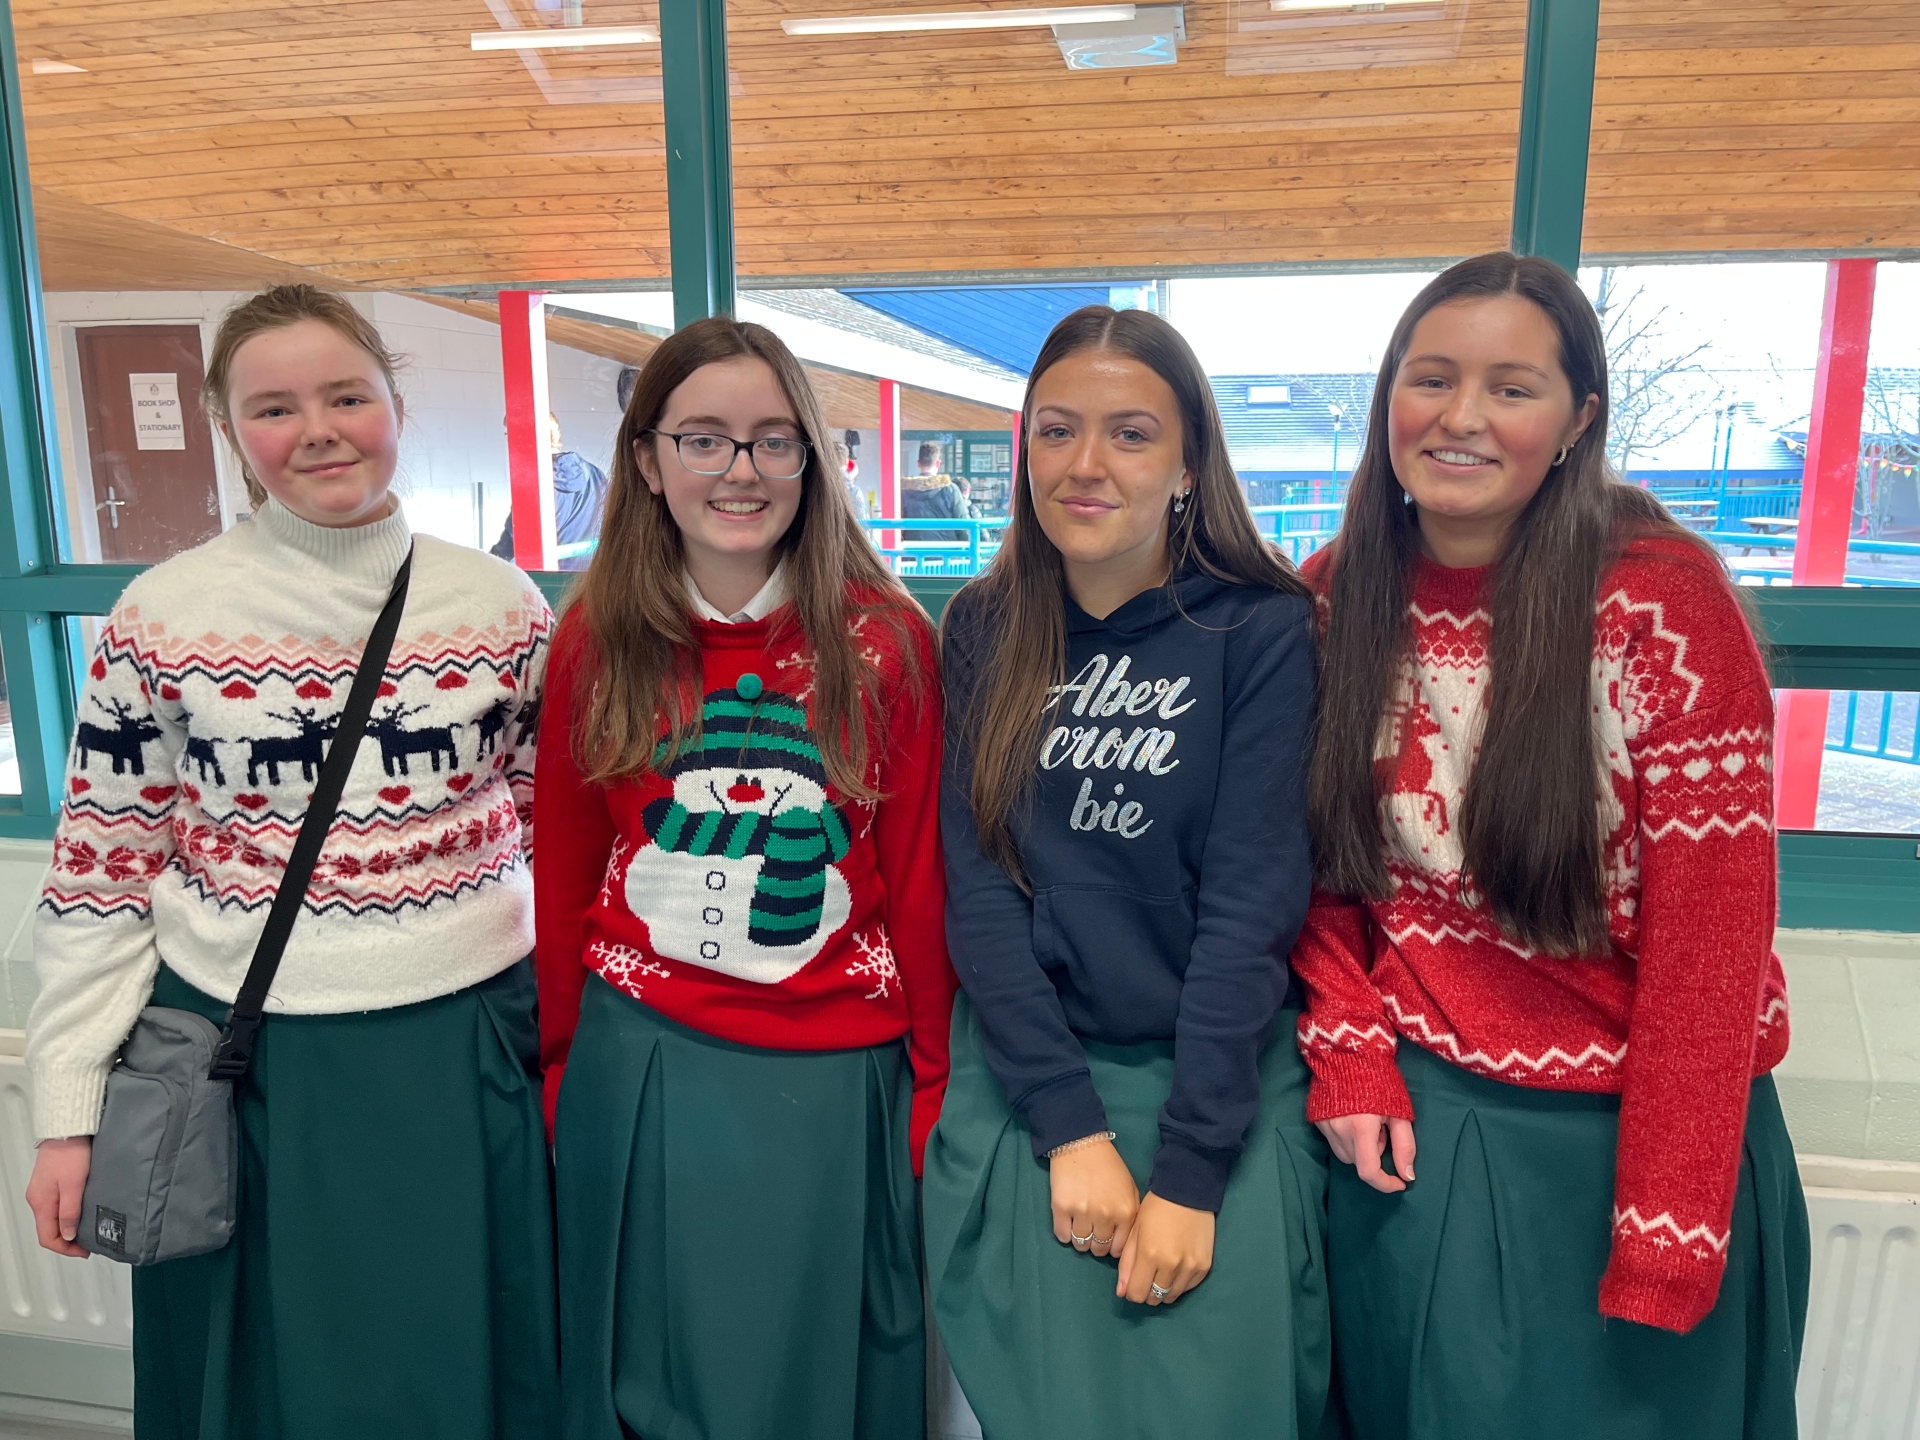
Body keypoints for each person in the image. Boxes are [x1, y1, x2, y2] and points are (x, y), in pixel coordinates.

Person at [22, 284, 559, 1439]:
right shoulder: (161, 618)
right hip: (245, 1061)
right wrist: (66, 1116)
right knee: (270, 1385)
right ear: (230, 430)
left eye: (346, 397)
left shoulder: (501, 605)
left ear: (395, 405)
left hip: (464, 1046)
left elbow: (542, 822)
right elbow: (102, 876)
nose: (317, 430)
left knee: (462, 1362)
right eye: (274, 409)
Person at [1294, 251, 1808, 1438]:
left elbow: (1712, 946)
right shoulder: (1332, 596)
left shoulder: (1663, 606)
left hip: (1638, 1131)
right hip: (1421, 1120)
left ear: (1578, 420)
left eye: (1511, 388)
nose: (1461, 417)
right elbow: (1313, 877)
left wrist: (1668, 1232)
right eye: (1430, 379)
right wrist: (1350, 1049)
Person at [535, 316, 956, 1440]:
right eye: (704, 439)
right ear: (646, 459)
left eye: (775, 440)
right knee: (645, 1382)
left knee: (814, 1387)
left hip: (838, 1068)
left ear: (813, 460)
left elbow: (919, 886)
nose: (741, 470)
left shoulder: (888, 643)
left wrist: (932, 1090)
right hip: (641, 1059)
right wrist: (561, 1072)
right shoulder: (595, 640)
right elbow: (564, 875)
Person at [924, 306, 1333, 1439]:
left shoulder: (1261, 631)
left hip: (1217, 1072)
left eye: (1132, 434)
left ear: (1190, 461)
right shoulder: (984, 626)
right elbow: (981, 894)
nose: (1086, 465)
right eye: (1056, 431)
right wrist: (1069, 1130)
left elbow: (1251, 910)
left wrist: (1193, 1172)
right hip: (1036, 1071)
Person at [490, 411, 610, 571]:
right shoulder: (594, 473)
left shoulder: (534, 483)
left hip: (547, 581)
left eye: (510, 435)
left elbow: (510, 548)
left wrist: (485, 568)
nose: (509, 442)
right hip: (592, 575)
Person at [902, 438, 971, 542]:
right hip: (945, 550)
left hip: (912, 550)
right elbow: (964, 525)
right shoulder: (950, 489)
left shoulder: (905, 491)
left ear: (918, 463)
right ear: (938, 463)